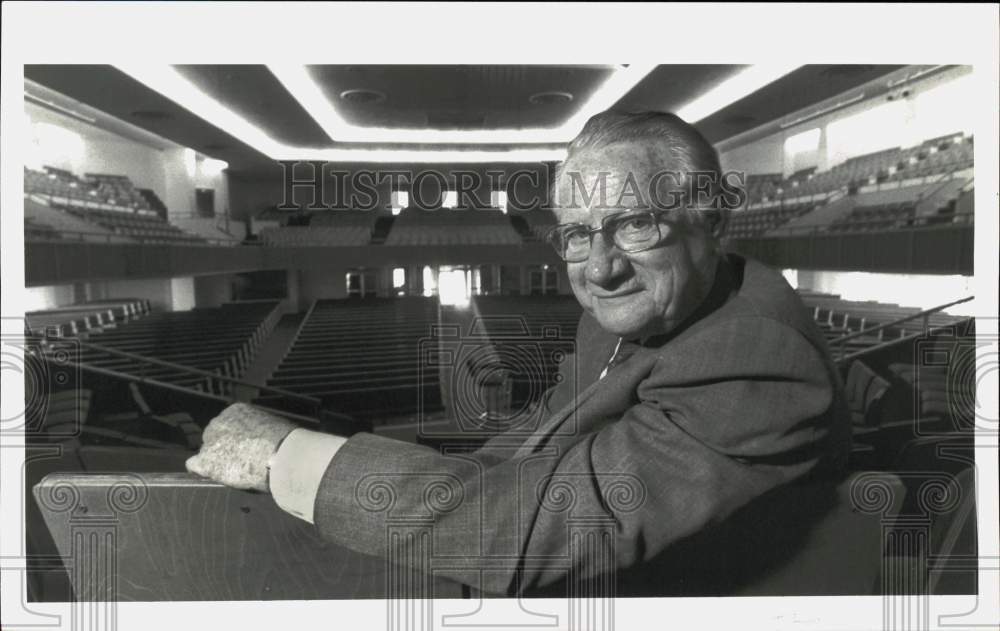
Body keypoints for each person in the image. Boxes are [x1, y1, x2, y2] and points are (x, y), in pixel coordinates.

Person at [187, 110, 851, 597]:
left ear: (711, 223)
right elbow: (545, 428)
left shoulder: (755, 355)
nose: (601, 267)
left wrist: (288, 456)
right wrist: (457, 480)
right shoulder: (635, 313)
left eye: (635, 224)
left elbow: (535, 529)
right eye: (577, 234)